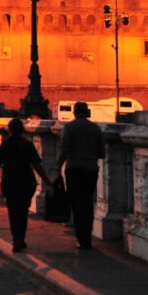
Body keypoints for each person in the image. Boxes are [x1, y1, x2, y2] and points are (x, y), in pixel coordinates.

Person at [0, 118, 52, 252]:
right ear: (22, 130)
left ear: (10, 130)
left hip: (10, 182)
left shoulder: (5, 145)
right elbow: (37, 166)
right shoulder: (28, 145)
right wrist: (47, 181)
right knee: (23, 211)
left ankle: (16, 239)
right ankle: (21, 238)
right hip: (26, 182)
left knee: (13, 212)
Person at [57, 101, 106, 250]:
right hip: (90, 169)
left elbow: (64, 150)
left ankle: (80, 238)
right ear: (88, 112)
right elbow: (101, 153)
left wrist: (58, 167)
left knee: (76, 204)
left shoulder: (69, 127)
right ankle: (88, 237)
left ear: (74, 113)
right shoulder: (96, 129)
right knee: (87, 203)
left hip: (73, 169)